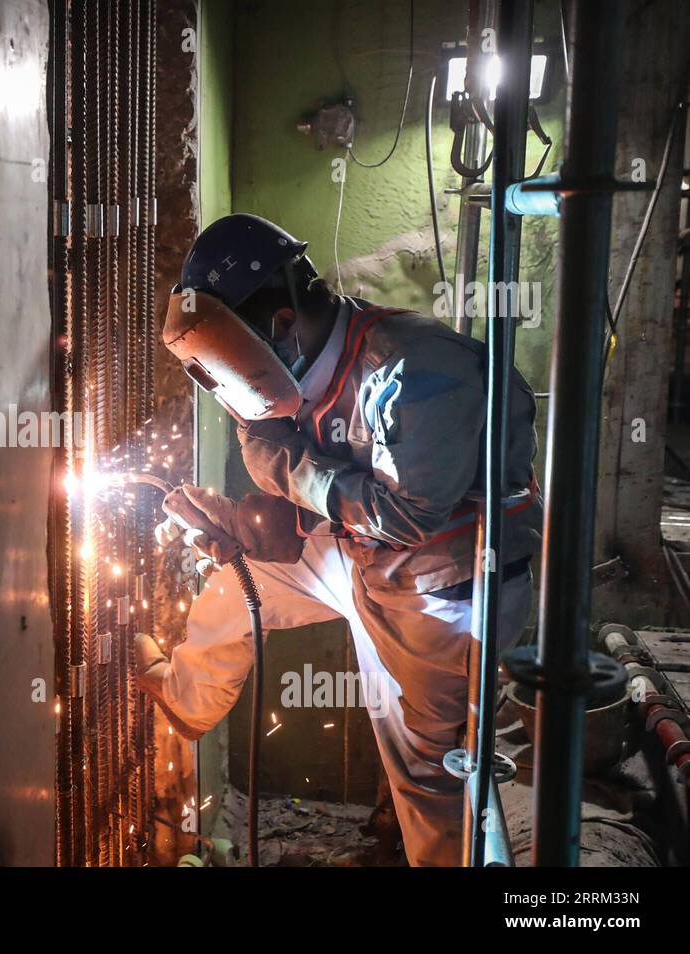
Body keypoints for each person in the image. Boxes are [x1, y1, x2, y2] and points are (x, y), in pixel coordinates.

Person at [137, 213, 541, 867]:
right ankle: (188, 698)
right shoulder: (291, 374)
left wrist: (285, 483)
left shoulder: (419, 369)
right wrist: (254, 525)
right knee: (238, 586)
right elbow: (289, 457)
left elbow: (406, 516)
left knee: (430, 778)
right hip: (363, 556)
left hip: (445, 595)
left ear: (279, 323)